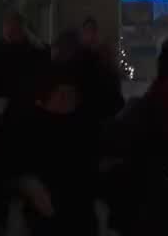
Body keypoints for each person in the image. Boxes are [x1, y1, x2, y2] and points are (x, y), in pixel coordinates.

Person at [5, 65, 99, 236]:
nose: (68, 101)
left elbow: (90, 166)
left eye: (72, 96)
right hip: (46, 211)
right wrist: (31, 187)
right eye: (62, 95)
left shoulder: (83, 126)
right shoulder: (32, 126)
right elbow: (18, 163)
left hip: (78, 211)